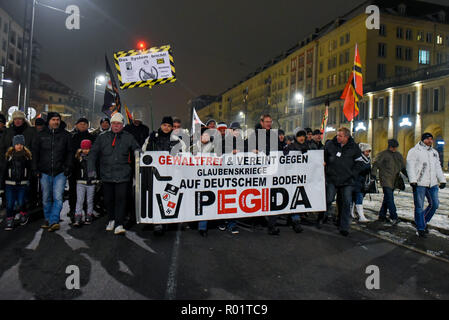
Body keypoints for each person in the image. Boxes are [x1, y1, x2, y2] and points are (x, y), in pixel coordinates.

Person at [88, 113, 140, 235]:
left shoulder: (128, 137)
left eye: (119, 124)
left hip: (123, 175)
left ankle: (119, 224)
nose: (116, 126)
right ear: (111, 124)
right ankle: (111, 219)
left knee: (121, 199)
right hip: (106, 174)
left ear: (122, 125)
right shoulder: (102, 137)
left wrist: (138, 153)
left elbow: (137, 149)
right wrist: (91, 172)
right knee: (108, 199)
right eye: (114, 123)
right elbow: (92, 155)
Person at [143, 116, 185, 235]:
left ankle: (169, 219)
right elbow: (143, 152)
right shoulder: (152, 137)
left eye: (169, 126)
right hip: (155, 174)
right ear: (161, 125)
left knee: (170, 196)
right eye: (164, 125)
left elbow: (183, 154)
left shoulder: (177, 140)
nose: (166, 128)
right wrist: (150, 142)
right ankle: (158, 222)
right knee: (157, 198)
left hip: (171, 174)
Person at [33, 112, 73, 232]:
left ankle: (54, 220)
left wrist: (68, 166)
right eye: (53, 119)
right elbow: (35, 153)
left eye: (57, 120)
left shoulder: (66, 135)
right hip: (44, 171)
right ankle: (48, 219)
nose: (56, 122)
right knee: (46, 197)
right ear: (48, 121)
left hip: (60, 171)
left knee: (58, 197)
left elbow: (70, 152)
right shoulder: (40, 135)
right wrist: (35, 168)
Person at [318, 127, 362, 236]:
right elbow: (322, 157)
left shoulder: (354, 147)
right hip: (332, 179)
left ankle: (344, 226)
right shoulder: (330, 145)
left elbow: (359, 163)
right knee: (328, 199)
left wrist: (352, 174)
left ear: (347, 137)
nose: (338, 137)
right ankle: (322, 216)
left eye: (340, 136)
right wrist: (324, 164)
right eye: (337, 135)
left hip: (347, 181)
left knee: (346, 203)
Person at [406, 133, 447, 238]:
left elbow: (438, 167)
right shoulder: (414, 151)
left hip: (432, 183)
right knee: (419, 206)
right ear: (423, 140)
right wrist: (413, 180)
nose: (430, 141)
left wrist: (442, 180)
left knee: (435, 204)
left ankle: (421, 221)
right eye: (428, 139)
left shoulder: (434, 152)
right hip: (419, 183)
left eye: (431, 139)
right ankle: (420, 228)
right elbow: (410, 166)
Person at [285, 129, 318, 233]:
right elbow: (284, 161)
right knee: (295, 197)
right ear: (296, 137)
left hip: (305, 178)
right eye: (299, 135)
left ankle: (293, 218)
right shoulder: (290, 147)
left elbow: (314, 160)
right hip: (293, 178)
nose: (301, 137)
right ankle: (296, 220)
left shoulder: (309, 147)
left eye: (303, 135)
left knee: (300, 198)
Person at [371, 139, 408, 225]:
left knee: (387, 198)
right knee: (390, 198)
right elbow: (375, 164)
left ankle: (382, 215)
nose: (394, 148)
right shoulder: (383, 154)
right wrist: (373, 174)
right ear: (389, 146)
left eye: (395, 147)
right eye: (393, 147)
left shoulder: (398, 155)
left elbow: (402, 167)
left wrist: (408, 176)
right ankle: (394, 216)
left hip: (394, 180)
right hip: (385, 179)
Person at [3, 135, 32, 230]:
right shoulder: (9, 156)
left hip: (22, 183)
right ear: (13, 145)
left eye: (20, 144)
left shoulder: (27, 156)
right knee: (10, 203)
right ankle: (9, 219)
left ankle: (23, 213)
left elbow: (30, 169)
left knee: (21, 201)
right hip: (10, 183)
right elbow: (4, 170)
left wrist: (28, 179)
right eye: (17, 144)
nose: (19, 146)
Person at [68, 118, 94, 222]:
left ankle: (88, 212)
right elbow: (69, 152)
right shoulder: (73, 137)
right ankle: (73, 210)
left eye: (85, 124)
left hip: (88, 170)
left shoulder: (92, 137)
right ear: (76, 125)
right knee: (73, 192)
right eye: (80, 124)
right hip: (75, 169)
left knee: (89, 194)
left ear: (87, 126)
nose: (83, 126)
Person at [73, 139, 98, 227]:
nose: (86, 150)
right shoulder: (78, 158)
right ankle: (78, 217)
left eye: (88, 148)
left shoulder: (94, 158)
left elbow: (97, 168)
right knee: (80, 200)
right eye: (84, 148)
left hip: (91, 182)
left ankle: (89, 215)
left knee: (89, 200)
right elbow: (75, 169)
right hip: (80, 182)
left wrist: (96, 178)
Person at [351, 143, 372, 223]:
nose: (368, 153)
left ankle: (352, 212)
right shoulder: (358, 159)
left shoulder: (368, 159)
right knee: (358, 197)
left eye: (369, 151)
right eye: (367, 151)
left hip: (363, 181)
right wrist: (363, 171)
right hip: (357, 181)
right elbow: (356, 170)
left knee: (356, 198)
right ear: (362, 151)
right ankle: (361, 216)